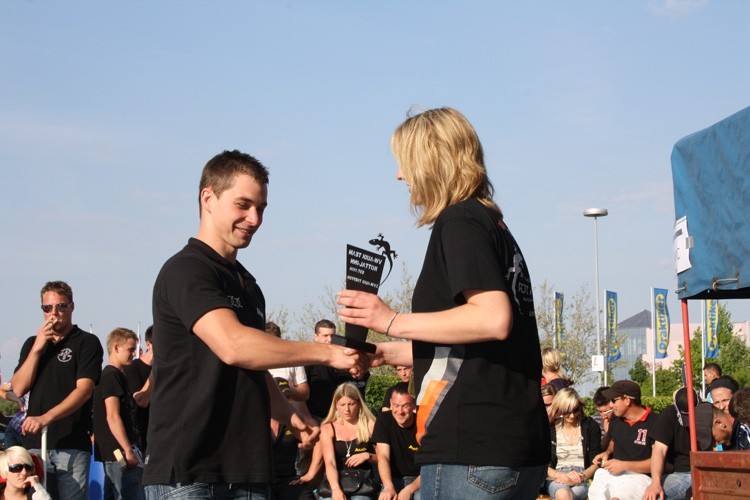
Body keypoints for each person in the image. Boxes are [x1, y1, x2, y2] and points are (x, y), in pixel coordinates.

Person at [337, 107, 550, 499]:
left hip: (472, 448)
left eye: (404, 162)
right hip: (515, 446)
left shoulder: (460, 221)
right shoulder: (490, 224)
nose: (399, 175)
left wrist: (390, 320)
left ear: (430, 161)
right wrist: (386, 352)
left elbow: (492, 319)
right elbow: (475, 346)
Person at [143, 150, 363, 499]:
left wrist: (292, 417)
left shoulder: (249, 286)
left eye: (261, 208)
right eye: (243, 205)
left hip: (249, 471)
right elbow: (234, 346)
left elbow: (253, 371)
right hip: (188, 471)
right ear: (208, 199)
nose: (254, 218)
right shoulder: (187, 271)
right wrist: (326, 352)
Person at [11, 281, 104, 500]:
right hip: (36, 444)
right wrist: (37, 348)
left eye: (61, 306)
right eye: (48, 308)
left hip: (71, 444)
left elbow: (84, 390)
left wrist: (46, 417)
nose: (54, 313)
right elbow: (19, 387)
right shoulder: (33, 344)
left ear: (72, 307)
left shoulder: (86, 342)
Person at [93, 328, 145, 500]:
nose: (134, 354)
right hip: (119, 454)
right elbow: (112, 415)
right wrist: (128, 449)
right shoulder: (111, 376)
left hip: (118, 453)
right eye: (130, 349)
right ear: (116, 348)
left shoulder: (116, 376)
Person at [588, 380, 657, 500]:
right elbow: (614, 441)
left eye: (613, 400)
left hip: (639, 478)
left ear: (627, 400)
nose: (611, 405)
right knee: (597, 487)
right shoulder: (616, 419)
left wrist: (624, 465)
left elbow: (660, 463)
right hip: (611, 474)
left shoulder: (656, 422)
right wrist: (607, 453)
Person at [318, 383, 378, 500]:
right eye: (342, 405)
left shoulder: (370, 425)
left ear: (359, 403)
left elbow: (384, 458)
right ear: (336, 405)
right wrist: (336, 489)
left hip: (363, 483)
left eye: (351, 404)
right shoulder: (327, 428)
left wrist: (367, 456)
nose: (347, 409)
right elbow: (330, 462)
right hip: (336, 480)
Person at [544, 388, 601, 500]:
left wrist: (582, 476)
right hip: (557, 476)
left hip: (582, 476)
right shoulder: (550, 428)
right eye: (567, 411)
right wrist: (561, 475)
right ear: (560, 408)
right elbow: (542, 464)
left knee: (568, 495)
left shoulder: (590, 425)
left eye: (575, 410)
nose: (572, 415)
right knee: (563, 494)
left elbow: (596, 461)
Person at [642, 387, 696, 500]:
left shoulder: (707, 412)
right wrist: (655, 483)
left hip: (698, 471)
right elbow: (659, 449)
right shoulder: (669, 414)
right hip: (678, 472)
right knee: (650, 494)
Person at [372, 383, 421, 500]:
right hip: (393, 479)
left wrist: (409, 489)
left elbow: (430, 465)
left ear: (414, 405)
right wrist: (388, 487)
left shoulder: (423, 423)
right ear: (390, 403)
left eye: (405, 406)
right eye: (396, 405)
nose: (400, 411)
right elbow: (383, 456)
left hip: (419, 480)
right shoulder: (384, 419)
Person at [269, 378, 315, 500]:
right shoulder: (257, 419)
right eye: (283, 398)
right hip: (262, 482)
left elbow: (320, 441)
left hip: (288, 480)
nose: (288, 401)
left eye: (289, 397)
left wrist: (310, 473)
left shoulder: (295, 421)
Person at [123, 325, 153, 452]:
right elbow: (141, 400)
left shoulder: (171, 368)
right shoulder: (133, 368)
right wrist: (157, 368)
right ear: (148, 344)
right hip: (142, 437)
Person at [267, 322, 310, 403]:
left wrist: (286, 388)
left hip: (286, 408)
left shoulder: (293, 359)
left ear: (280, 340)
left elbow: (305, 394)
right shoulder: (254, 360)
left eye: (275, 343)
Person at [591, 386, 613, 451]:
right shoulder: (593, 421)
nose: (603, 416)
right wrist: (608, 434)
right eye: (600, 412)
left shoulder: (623, 421)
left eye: (606, 411)